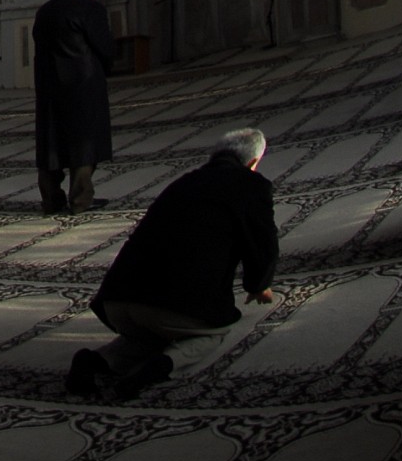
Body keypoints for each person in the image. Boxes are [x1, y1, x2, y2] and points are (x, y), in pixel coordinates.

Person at [67, 125, 278, 400]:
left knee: (145, 338)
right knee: (211, 333)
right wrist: (259, 285)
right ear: (253, 162)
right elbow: (263, 243)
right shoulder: (252, 186)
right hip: (177, 307)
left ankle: (95, 361)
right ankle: (160, 368)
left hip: (117, 300)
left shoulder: (183, 182)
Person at [33, 0, 114, 214]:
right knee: (84, 144)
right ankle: (80, 201)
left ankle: (51, 200)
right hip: (83, 88)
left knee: (51, 144)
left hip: (49, 89)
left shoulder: (44, 11)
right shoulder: (91, 9)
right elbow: (104, 47)